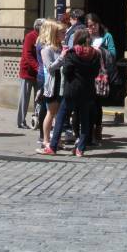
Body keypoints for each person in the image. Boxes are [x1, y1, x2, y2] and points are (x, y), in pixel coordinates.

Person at [43, 29, 99, 157]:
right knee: (85, 120)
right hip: (87, 90)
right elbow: (96, 73)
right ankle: (80, 148)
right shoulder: (95, 54)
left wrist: (71, 80)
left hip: (72, 90)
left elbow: (66, 71)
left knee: (61, 118)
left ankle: (52, 147)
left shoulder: (72, 53)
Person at [86, 12, 117, 144]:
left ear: (98, 24)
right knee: (88, 104)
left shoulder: (107, 36)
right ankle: (87, 131)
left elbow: (113, 53)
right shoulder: (86, 37)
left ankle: (97, 130)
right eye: (89, 26)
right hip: (87, 74)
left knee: (97, 104)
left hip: (100, 75)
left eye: (93, 25)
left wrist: (100, 51)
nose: (92, 28)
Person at [37, 19, 63, 154]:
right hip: (52, 84)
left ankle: (56, 139)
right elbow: (50, 68)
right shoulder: (46, 49)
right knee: (51, 112)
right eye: (60, 33)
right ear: (53, 34)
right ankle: (46, 139)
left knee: (59, 114)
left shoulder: (59, 47)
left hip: (62, 83)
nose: (63, 35)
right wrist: (61, 58)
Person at [17, 19, 42, 129]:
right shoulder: (30, 36)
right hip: (27, 72)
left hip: (39, 73)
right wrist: (38, 67)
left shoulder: (43, 37)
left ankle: (38, 119)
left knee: (39, 98)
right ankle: (21, 121)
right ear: (38, 27)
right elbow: (28, 55)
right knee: (24, 98)